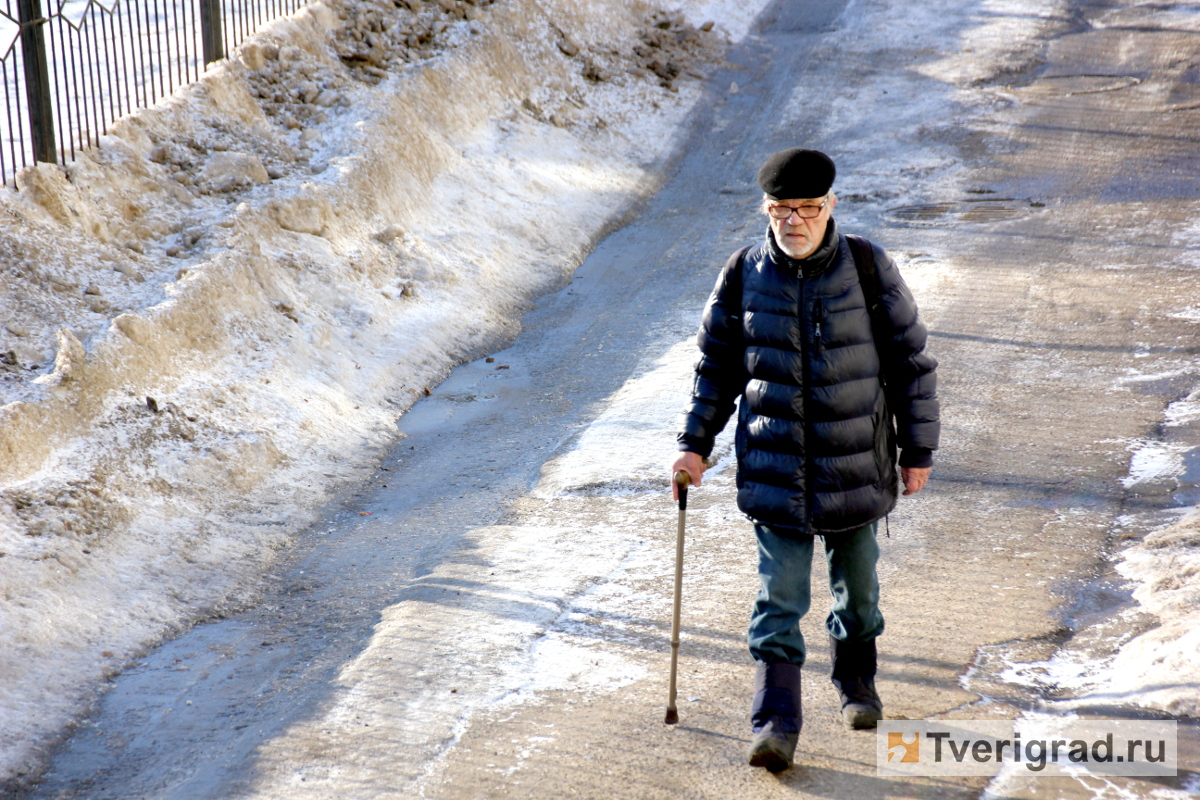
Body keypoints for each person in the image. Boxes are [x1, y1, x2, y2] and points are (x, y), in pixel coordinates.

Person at [671, 148, 939, 773]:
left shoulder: (868, 267)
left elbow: (911, 365)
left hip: (855, 468)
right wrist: (693, 444)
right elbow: (715, 370)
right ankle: (774, 724)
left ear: (830, 207)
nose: (794, 221)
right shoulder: (743, 273)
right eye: (781, 209)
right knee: (779, 599)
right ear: (766, 210)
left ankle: (856, 685)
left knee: (861, 596)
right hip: (776, 472)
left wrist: (918, 449)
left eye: (807, 208)